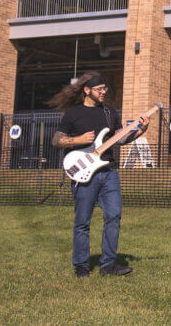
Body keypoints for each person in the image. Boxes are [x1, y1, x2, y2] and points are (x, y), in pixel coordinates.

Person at [50, 72, 152, 278]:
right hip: (85, 173)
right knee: (83, 221)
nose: (104, 92)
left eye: (105, 89)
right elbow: (56, 140)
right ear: (87, 91)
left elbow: (120, 140)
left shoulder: (110, 113)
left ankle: (108, 265)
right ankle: (81, 266)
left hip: (109, 172)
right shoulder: (73, 114)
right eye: (99, 89)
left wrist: (141, 130)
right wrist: (77, 140)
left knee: (114, 216)